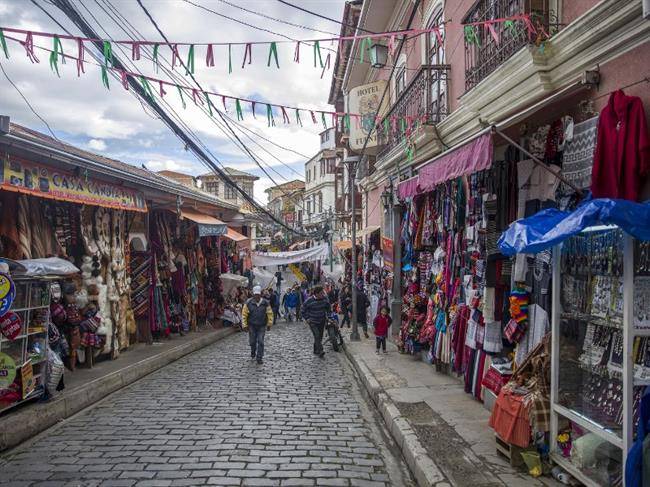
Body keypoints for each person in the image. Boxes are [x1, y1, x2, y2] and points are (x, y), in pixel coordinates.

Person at [242, 286, 273, 364]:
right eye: (255, 294)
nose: (257, 296)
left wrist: (269, 324)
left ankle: (259, 357)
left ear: (260, 294)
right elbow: (244, 314)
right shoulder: (248, 303)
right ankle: (253, 351)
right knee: (252, 341)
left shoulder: (265, 303)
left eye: (258, 294)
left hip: (262, 325)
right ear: (253, 294)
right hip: (251, 325)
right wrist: (244, 325)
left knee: (261, 341)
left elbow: (269, 313)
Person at [302, 286, 331, 358]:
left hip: (322, 320)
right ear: (316, 294)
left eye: (323, 293)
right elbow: (302, 310)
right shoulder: (309, 301)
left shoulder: (325, 299)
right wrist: (307, 318)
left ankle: (315, 349)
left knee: (319, 336)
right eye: (321, 293)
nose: (323, 294)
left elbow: (328, 308)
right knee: (317, 335)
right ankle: (320, 350)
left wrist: (329, 316)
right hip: (313, 321)